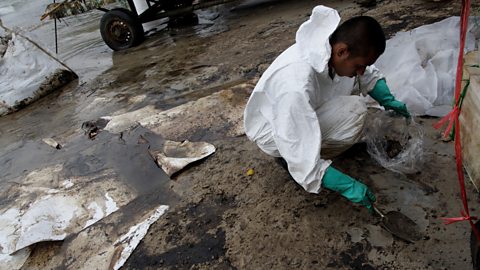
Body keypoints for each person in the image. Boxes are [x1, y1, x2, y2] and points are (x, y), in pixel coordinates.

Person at [243, 5, 410, 212]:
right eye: (358, 66)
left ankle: (315, 148)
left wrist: (387, 99)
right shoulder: (295, 82)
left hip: (301, 111)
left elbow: (366, 73)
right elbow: (294, 134)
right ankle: (290, 160)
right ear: (342, 51)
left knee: (353, 101)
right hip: (273, 130)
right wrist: (348, 186)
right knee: (356, 111)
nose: (361, 72)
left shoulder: (330, 50)